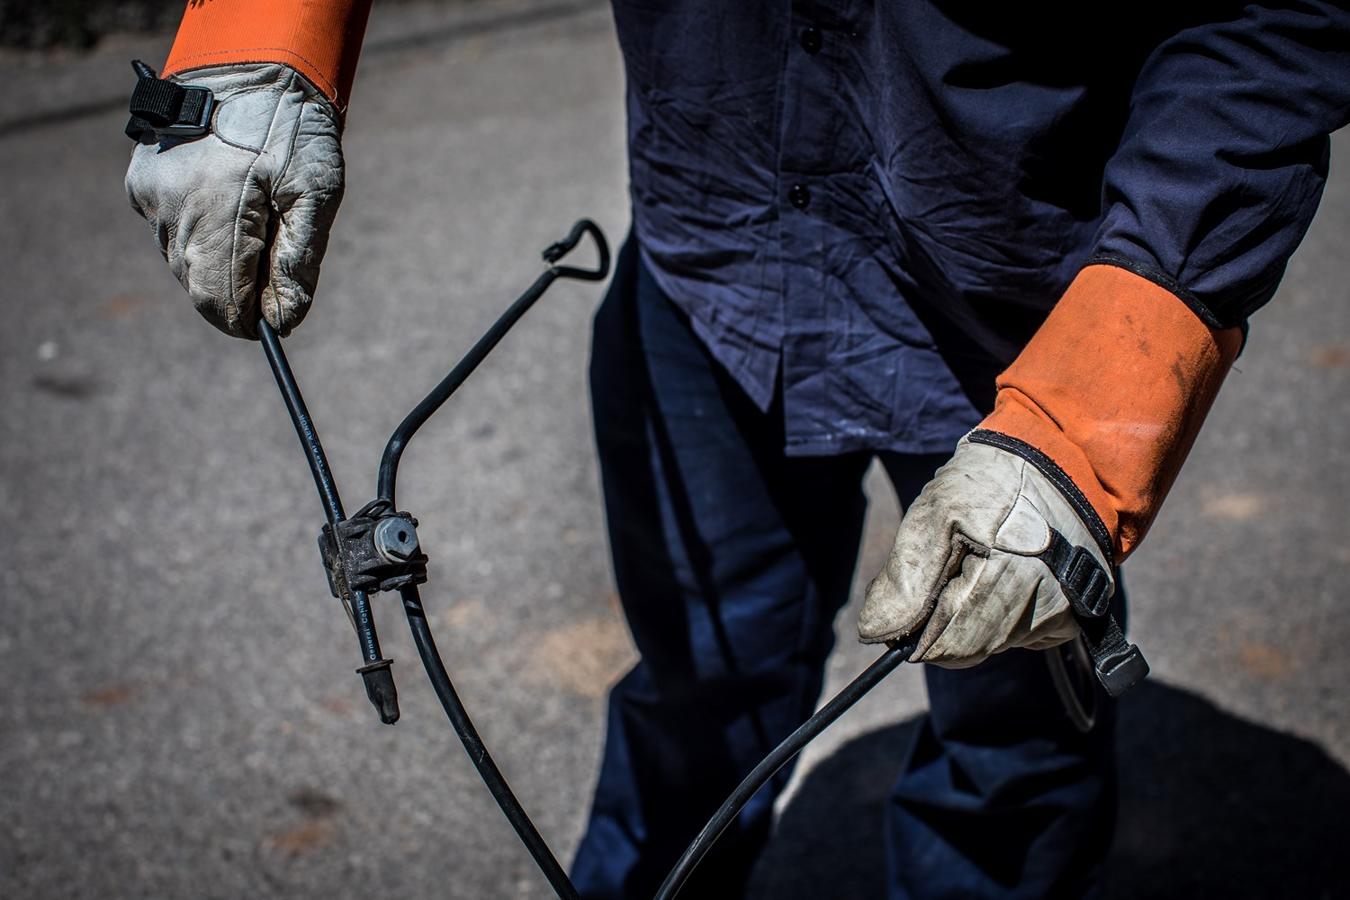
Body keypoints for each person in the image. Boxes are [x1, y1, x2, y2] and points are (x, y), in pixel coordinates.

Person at [124, 2, 1350, 897]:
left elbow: (1274, 22)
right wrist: (265, 28)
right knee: (700, 689)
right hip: (711, 256)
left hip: (1022, 315)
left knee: (1013, 746)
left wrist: (1091, 418)